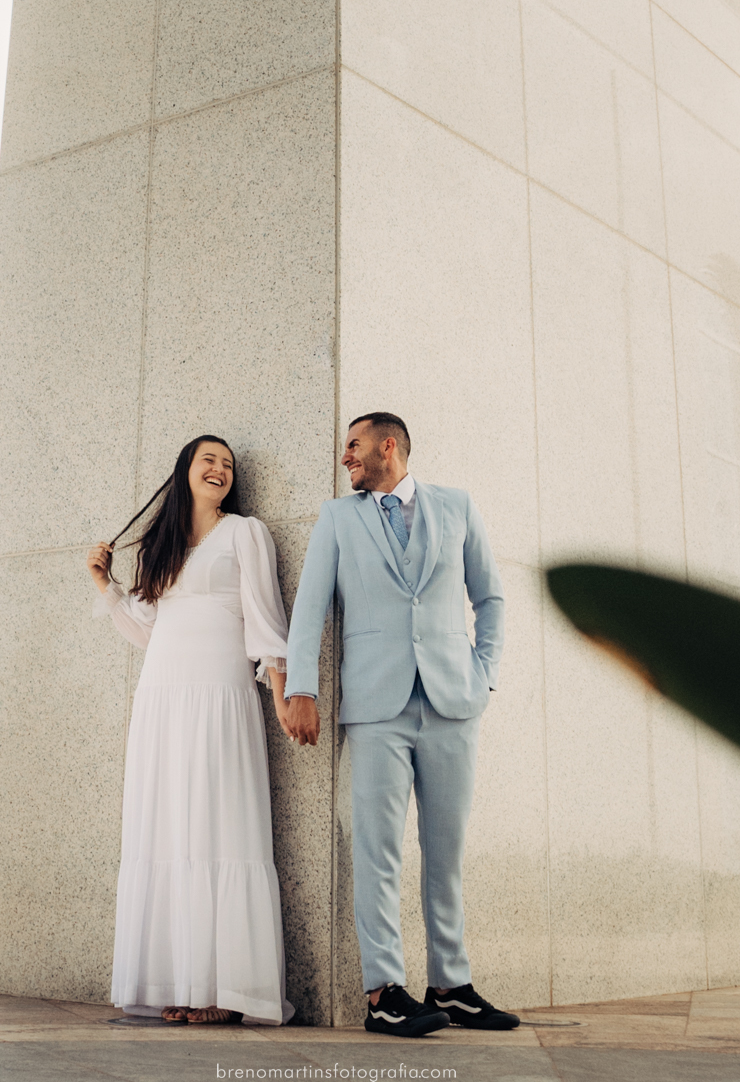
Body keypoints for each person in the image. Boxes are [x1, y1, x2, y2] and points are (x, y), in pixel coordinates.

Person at [284, 413, 517, 1039]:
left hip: (451, 703)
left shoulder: (457, 506)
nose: (345, 458)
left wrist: (483, 674)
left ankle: (453, 984)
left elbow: (490, 598)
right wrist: (299, 686)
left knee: (447, 852)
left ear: (389, 446)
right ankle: (384, 992)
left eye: (353, 446)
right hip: (376, 707)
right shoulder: (338, 518)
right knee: (377, 852)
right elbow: (310, 609)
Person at [87, 434, 294, 1026]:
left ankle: (225, 989)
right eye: (209, 460)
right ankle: (183, 979)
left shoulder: (244, 533)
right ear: (185, 471)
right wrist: (105, 584)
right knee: (171, 831)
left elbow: (266, 620)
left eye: (227, 464)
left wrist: (282, 696)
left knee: (217, 826)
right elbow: (147, 629)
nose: (220, 469)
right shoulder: (163, 547)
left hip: (221, 696)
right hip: (162, 699)